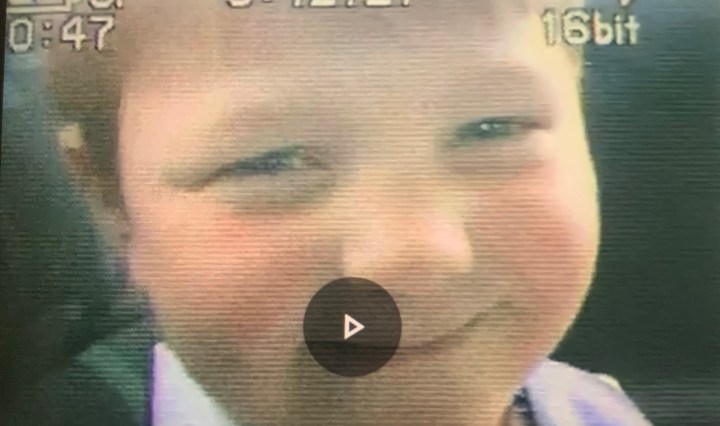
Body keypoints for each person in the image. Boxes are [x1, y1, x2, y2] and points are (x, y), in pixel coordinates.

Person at [45, 0, 653, 424]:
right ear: (110, 202)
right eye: (271, 162)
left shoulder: (594, 408)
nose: (418, 255)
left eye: (491, 128)